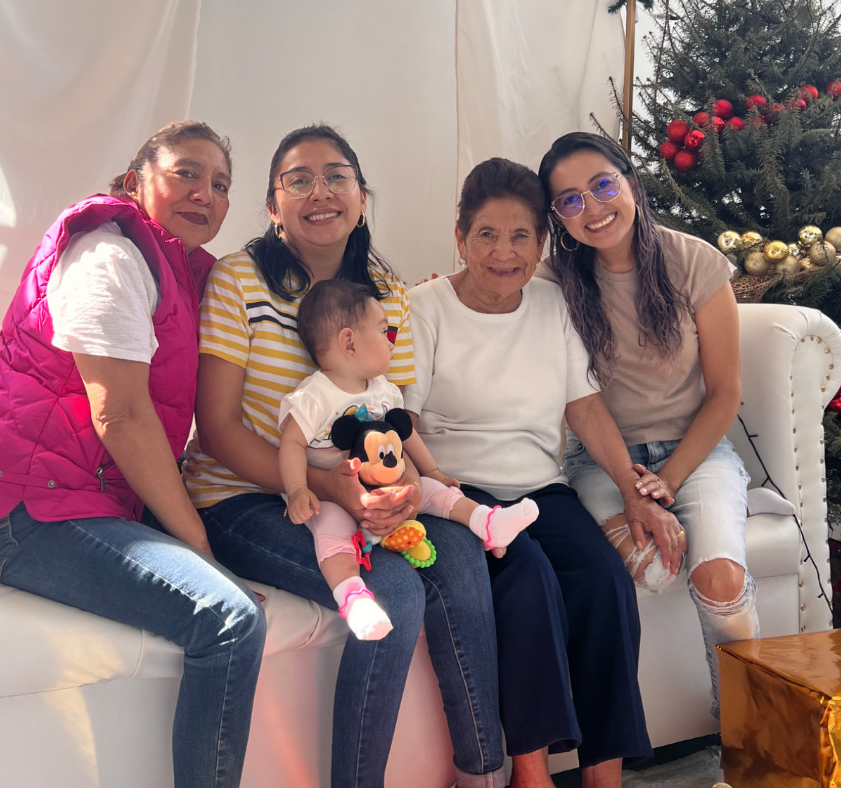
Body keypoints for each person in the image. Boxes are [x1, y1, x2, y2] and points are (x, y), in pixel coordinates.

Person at [0, 121, 266, 788]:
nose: (205, 192)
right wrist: (199, 546)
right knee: (229, 619)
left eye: (221, 183)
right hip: (11, 502)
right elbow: (121, 414)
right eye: (186, 172)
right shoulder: (111, 253)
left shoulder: (184, 272)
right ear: (135, 180)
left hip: (73, 498)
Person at [183, 124, 507, 788]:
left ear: (361, 198)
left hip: (355, 492)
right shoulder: (239, 280)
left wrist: (404, 491)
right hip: (243, 498)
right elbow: (216, 430)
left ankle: (483, 773)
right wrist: (331, 490)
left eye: (337, 177)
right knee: (391, 592)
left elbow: (395, 422)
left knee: (463, 555)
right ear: (273, 206)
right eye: (298, 180)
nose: (320, 192)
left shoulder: (386, 292)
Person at [406, 156, 684, 788]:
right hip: (459, 492)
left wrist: (631, 490)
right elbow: (404, 418)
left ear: (540, 243)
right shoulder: (424, 308)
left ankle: (603, 776)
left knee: (604, 580)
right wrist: (438, 487)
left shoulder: (552, 302)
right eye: (486, 235)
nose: (504, 253)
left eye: (521, 236)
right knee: (526, 578)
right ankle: (531, 776)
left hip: (540, 487)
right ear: (460, 237)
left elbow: (583, 404)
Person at [538, 131, 758, 718]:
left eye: (602, 185)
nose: (592, 207)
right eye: (570, 200)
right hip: (602, 461)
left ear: (631, 183)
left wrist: (669, 481)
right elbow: (492, 306)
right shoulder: (553, 283)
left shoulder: (694, 260)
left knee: (720, 580)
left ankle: (749, 727)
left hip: (697, 452)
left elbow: (726, 392)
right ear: (559, 217)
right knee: (653, 569)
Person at [279, 277, 540, 641]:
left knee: (438, 492)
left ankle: (487, 522)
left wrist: (432, 471)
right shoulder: (315, 396)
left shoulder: (384, 391)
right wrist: (297, 489)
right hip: (333, 496)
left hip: (388, 485)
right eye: (384, 331)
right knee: (331, 531)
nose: (392, 342)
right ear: (349, 342)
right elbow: (291, 444)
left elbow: (406, 436)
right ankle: (353, 598)